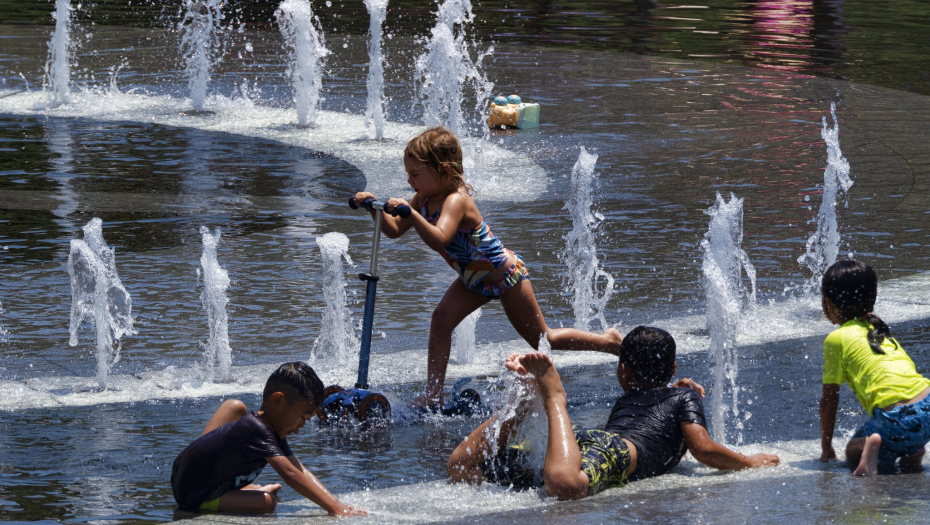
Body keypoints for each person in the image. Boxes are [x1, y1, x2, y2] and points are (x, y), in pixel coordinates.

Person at [353, 127, 623, 409]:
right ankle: (433, 395)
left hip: (505, 275)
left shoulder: (457, 201)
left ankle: (607, 341)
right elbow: (395, 230)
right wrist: (375, 209)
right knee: (441, 319)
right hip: (474, 280)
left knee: (544, 339)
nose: (409, 181)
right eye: (408, 174)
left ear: (444, 171)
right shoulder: (422, 199)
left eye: (415, 174)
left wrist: (411, 214)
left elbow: (440, 238)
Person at [447, 326, 779, 498]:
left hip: (583, 444)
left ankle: (520, 407)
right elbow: (702, 448)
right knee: (564, 485)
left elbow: (689, 436)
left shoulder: (649, 397)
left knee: (462, 467)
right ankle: (552, 397)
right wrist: (749, 460)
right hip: (613, 452)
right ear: (674, 367)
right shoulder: (683, 399)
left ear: (623, 372)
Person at [171, 362, 367, 516]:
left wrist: (337, 503)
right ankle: (245, 491)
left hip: (191, 475)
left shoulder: (271, 429)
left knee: (235, 409)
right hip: (194, 495)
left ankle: (245, 488)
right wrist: (335, 508)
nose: (301, 427)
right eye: (302, 418)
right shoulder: (256, 429)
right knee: (266, 503)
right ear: (278, 401)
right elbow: (290, 473)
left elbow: (299, 469)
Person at [818, 259, 930, 475]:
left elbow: (829, 400)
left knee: (852, 450)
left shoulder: (836, 339)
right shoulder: (880, 331)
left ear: (827, 303)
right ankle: (913, 451)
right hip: (927, 403)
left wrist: (826, 449)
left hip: (895, 422)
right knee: (903, 430)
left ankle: (873, 450)